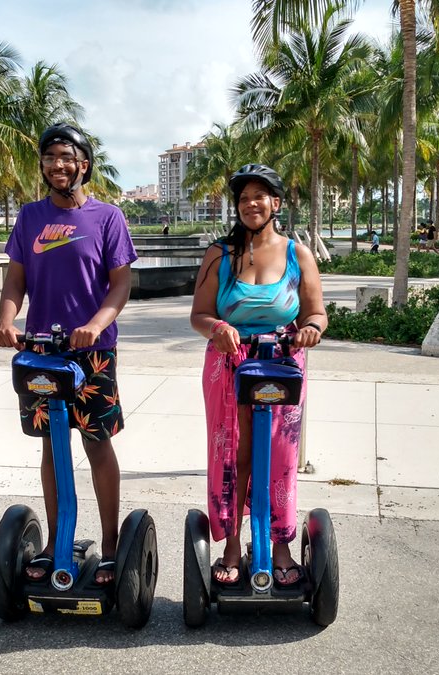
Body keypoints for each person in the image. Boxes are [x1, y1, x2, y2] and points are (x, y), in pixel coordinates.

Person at [0, 123, 137, 586]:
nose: (58, 164)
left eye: (67, 156)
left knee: (97, 443)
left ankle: (111, 544)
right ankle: (57, 540)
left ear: (84, 165)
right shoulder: (29, 217)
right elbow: (16, 280)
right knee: (53, 449)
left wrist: (95, 324)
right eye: (50, 156)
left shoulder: (107, 217)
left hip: (92, 353)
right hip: (39, 351)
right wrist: (6, 320)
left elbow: (121, 284)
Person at [189, 163, 328, 587]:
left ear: (276, 203)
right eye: (244, 197)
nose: (251, 203)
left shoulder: (296, 253)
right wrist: (218, 327)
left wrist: (311, 330)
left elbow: (317, 312)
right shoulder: (220, 254)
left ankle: (280, 545)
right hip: (228, 362)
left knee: (280, 460)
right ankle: (232, 543)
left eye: (259, 195)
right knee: (236, 455)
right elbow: (199, 314)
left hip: (281, 362)